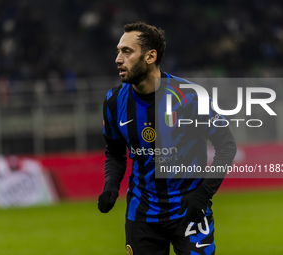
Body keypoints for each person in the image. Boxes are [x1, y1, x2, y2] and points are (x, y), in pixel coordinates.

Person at [98, 21, 236, 255]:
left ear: (150, 56)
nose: (118, 59)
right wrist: (111, 185)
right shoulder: (113, 101)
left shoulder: (191, 97)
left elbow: (226, 146)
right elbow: (115, 152)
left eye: (127, 51)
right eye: (118, 51)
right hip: (141, 213)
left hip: (190, 211)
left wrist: (203, 194)